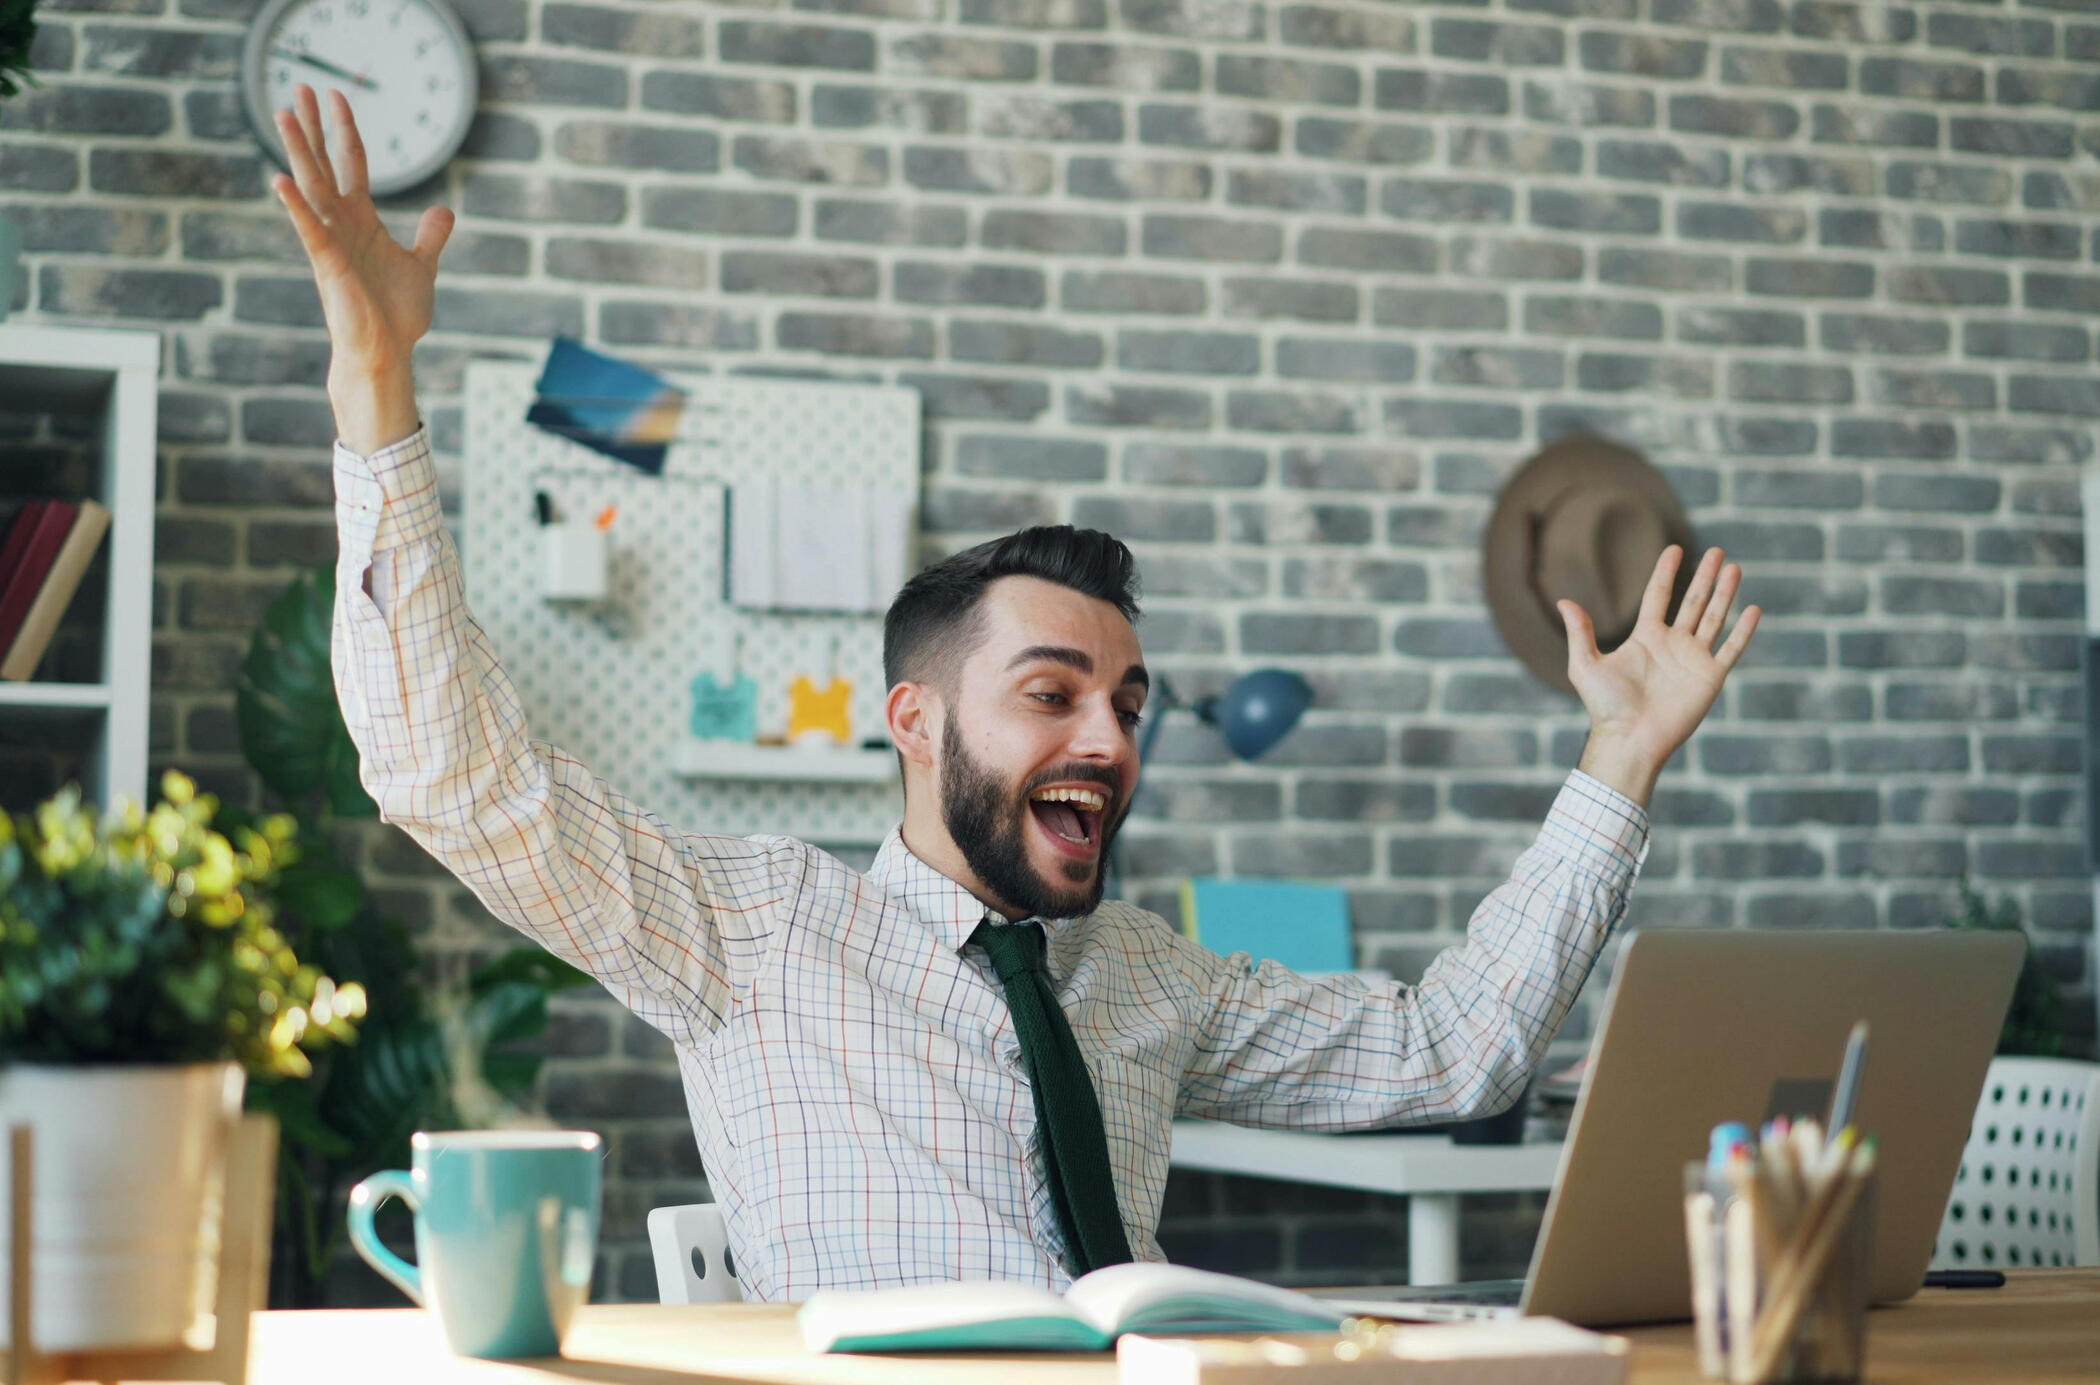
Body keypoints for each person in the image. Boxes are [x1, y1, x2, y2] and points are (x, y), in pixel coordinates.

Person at [272, 86, 1762, 1302]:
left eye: (1126, 700)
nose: (1108, 739)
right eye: (1052, 693)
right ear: (914, 723)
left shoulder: (1151, 977)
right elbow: (451, 777)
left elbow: (1454, 1049)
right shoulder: (752, 928)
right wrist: (374, 389)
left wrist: (1620, 755)